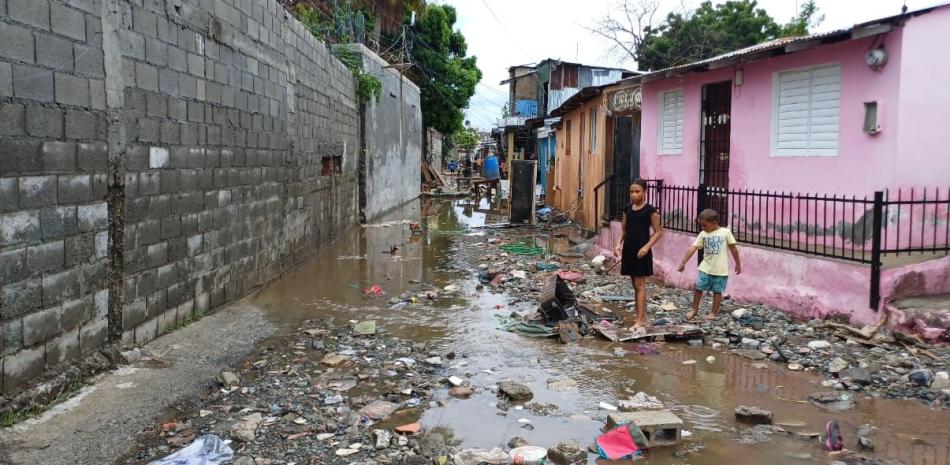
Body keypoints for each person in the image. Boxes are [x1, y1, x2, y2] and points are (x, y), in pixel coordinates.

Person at [613, 180, 663, 329]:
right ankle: (641, 316)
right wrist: (617, 245)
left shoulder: (650, 211)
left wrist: (647, 247)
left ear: (645, 192)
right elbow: (624, 230)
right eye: (632, 192)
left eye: (637, 192)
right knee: (635, 285)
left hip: (642, 251)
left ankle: (640, 320)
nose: (634, 195)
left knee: (640, 284)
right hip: (629, 249)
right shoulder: (627, 208)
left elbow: (658, 232)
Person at [676, 209, 742, 321]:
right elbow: (693, 247)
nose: (703, 228)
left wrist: (738, 264)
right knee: (698, 287)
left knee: (717, 291)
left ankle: (713, 313)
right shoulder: (703, 234)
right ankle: (694, 309)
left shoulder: (725, 232)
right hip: (705, 267)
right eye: (701, 225)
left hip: (720, 270)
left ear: (714, 223)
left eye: (704, 225)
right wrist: (683, 262)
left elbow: (733, 249)